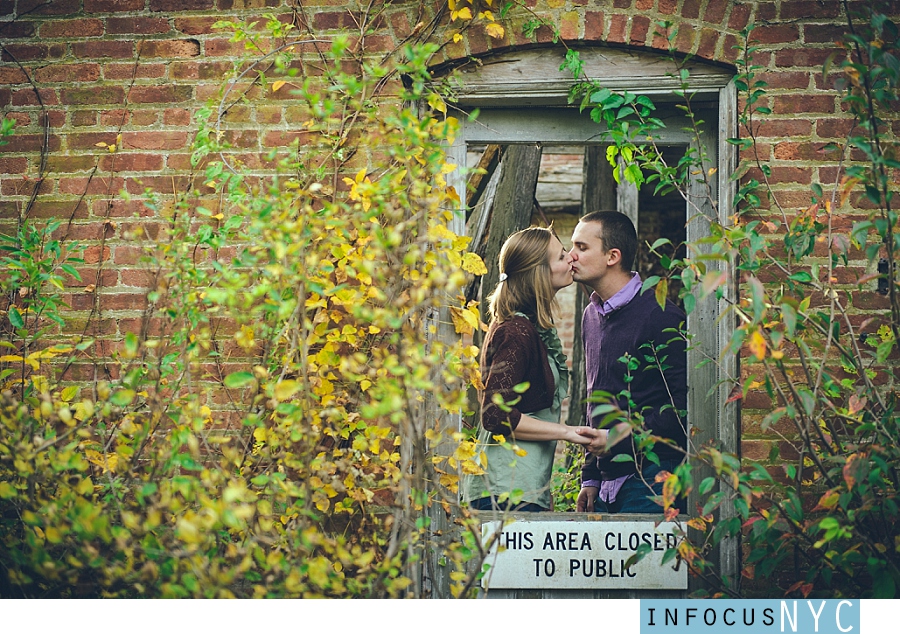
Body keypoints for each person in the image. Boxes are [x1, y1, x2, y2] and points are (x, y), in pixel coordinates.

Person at [463, 226, 592, 513]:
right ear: (540, 273)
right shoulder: (516, 331)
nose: (571, 258)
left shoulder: (528, 328)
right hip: (505, 488)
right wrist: (567, 432)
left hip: (519, 487)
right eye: (561, 256)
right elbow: (495, 415)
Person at [569, 211, 687, 514]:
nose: (571, 256)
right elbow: (596, 398)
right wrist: (591, 476)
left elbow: (683, 410)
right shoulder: (591, 316)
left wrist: (617, 439)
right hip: (607, 483)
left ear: (612, 256)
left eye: (581, 247)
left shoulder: (661, 315)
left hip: (654, 477)